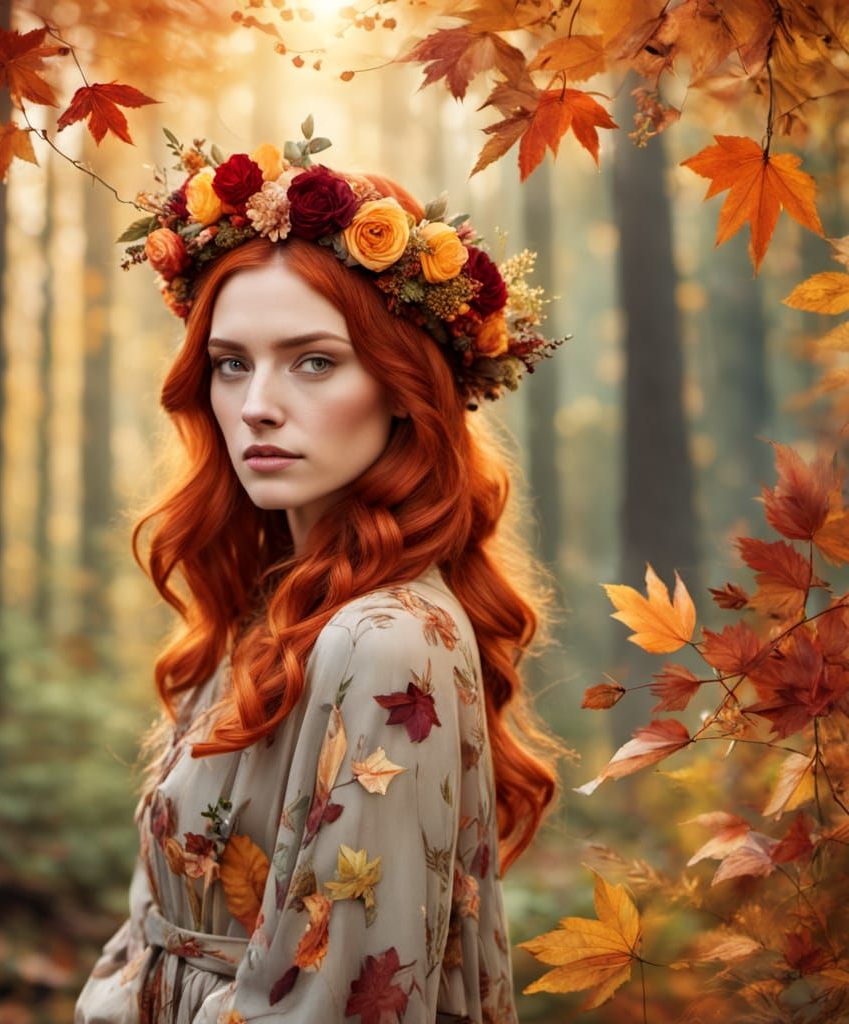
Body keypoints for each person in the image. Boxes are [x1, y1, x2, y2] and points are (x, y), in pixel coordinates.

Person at [74, 125, 566, 1024]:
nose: (258, 404)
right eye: (231, 365)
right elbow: (149, 931)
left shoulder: (386, 642)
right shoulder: (279, 609)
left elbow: (342, 1001)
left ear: (401, 385)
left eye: (313, 362)